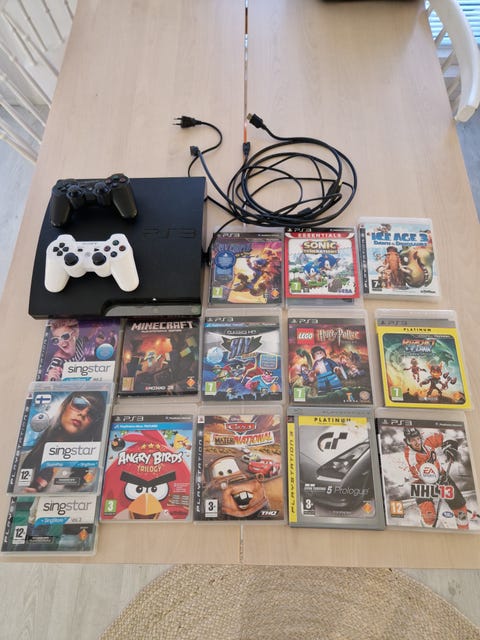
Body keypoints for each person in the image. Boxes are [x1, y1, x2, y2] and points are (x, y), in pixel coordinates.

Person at [21, 391, 106, 493]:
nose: (83, 413)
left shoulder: (92, 474)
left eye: (92, 413)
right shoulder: (24, 457)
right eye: (79, 404)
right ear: (64, 406)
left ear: (93, 424)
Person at [403, 426, 468, 529]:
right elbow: (422, 474)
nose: (417, 442)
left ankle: (464, 531)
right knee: (429, 515)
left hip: (440, 475)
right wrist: (438, 483)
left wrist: (449, 446)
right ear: (407, 441)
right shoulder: (411, 456)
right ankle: (430, 527)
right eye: (412, 440)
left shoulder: (428, 439)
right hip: (420, 482)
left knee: (460, 508)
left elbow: (445, 437)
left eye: (418, 438)